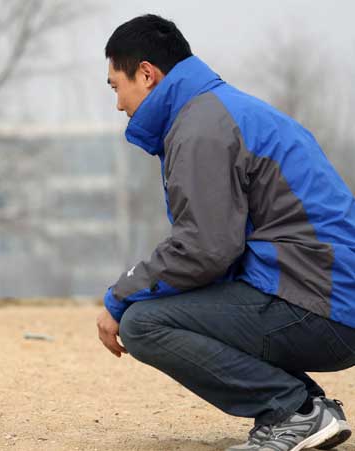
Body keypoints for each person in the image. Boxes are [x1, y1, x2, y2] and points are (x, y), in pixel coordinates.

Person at [97, 14, 355, 451]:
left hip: (320, 304)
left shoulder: (201, 129)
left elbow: (205, 248)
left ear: (146, 74)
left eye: (116, 86)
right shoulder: (219, 111)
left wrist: (120, 296)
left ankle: (292, 411)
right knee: (164, 304)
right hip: (324, 294)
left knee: (143, 323)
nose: (119, 103)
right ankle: (309, 410)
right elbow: (216, 250)